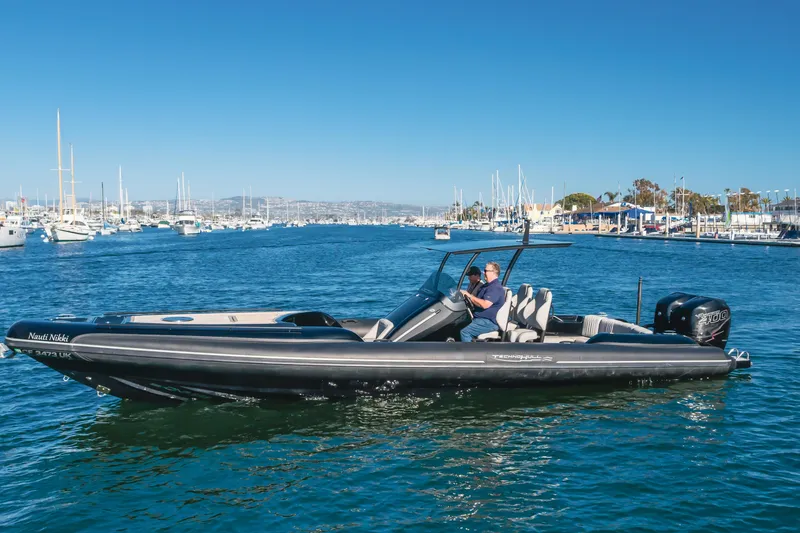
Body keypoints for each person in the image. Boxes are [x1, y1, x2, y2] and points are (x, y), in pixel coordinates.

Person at [459, 262, 505, 342]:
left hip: (489, 321)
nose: (483, 272)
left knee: (465, 331)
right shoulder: (486, 286)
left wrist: (469, 296)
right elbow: (476, 301)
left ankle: (469, 353)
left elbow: (485, 304)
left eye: (485, 270)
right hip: (479, 318)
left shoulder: (495, 288)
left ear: (493, 272)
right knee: (456, 324)